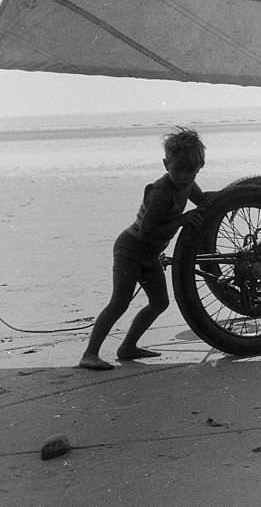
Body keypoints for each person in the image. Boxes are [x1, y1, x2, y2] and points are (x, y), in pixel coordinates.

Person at [78, 127, 212, 370]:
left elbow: (203, 202)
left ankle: (127, 347)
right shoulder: (161, 192)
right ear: (165, 164)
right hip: (130, 250)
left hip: (149, 255)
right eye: (178, 170)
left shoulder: (188, 185)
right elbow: (147, 232)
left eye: (190, 172)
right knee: (119, 302)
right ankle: (90, 353)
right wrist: (181, 220)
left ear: (199, 167)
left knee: (160, 303)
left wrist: (228, 196)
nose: (183, 177)